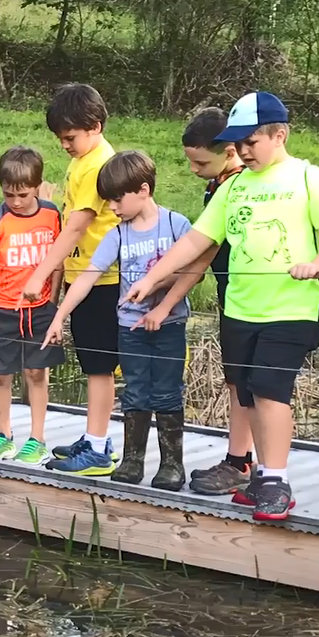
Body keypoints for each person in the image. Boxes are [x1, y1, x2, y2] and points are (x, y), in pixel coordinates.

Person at [128, 92, 319, 521]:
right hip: (240, 310)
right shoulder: (234, 187)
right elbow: (197, 241)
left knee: (270, 390)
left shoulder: (307, 178)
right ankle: (255, 473)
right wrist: (152, 278)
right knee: (246, 391)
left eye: (251, 142)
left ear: (279, 135)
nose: (242, 151)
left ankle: (275, 480)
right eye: (238, 143)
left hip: (289, 309)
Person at [43, 151, 199, 490]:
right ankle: (132, 460)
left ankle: (172, 464)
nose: (112, 208)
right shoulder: (117, 235)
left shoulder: (177, 225)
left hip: (169, 326)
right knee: (136, 391)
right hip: (130, 329)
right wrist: (60, 316)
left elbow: (191, 273)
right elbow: (87, 277)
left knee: (168, 392)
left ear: (143, 190)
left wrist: (158, 290)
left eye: (117, 199)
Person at [22, 84, 123, 476]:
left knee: (100, 365)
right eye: (60, 138)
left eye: (70, 137)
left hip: (105, 278)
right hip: (85, 276)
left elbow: (77, 226)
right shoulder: (83, 159)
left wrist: (41, 273)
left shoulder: (100, 164)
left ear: (94, 126)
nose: (64, 145)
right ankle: (94, 435)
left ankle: (98, 446)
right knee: (92, 363)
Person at [178, 107, 257, 497]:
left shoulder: (236, 185)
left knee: (245, 382)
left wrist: (168, 292)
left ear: (230, 152)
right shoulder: (218, 183)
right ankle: (239, 455)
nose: (194, 170)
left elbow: (205, 249)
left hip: (249, 295)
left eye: (200, 162)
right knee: (235, 380)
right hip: (231, 294)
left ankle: (242, 461)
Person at [0, 147, 65, 464]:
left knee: (36, 372)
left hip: (39, 310)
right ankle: (4, 435)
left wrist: (52, 305)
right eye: (8, 194)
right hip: (3, 308)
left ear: (37, 186)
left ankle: (36, 439)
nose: (15, 201)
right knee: (1, 374)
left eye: (22, 194)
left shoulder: (52, 214)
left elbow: (58, 262)